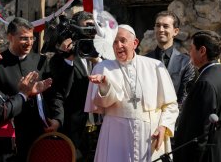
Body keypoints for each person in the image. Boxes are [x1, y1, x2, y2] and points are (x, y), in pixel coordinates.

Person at [84, 24, 179, 161]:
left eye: (123, 40)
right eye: (115, 42)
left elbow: (170, 104)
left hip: (150, 135)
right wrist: (105, 85)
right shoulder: (103, 68)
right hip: (116, 136)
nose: (118, 46)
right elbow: (100, 105)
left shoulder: (154, 66)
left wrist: (164, 126)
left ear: (135, 43)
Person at [0, 17, 57, 162]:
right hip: (12, 136)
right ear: (10, 37)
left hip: (41, 132)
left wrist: (58, 119)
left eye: (31, 38)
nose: (29, 43)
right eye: (23, 38)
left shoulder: (41, 60)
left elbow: (54, 95)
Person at [174, 30, 221, 162]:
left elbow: (200, 131)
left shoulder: (205, 83)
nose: (189, 54)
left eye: (191, 49)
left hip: (207, 157)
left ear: (202, 51)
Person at [49, 11, 101, 161]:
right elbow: (60, 91)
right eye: (87, 27)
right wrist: (68, 59)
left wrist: (98, 61)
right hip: (74, 129)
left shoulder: (102, 55)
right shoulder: (61, 58)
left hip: (101, 126)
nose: (91, 31)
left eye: (94, 27)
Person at [145, 11, 195, 109]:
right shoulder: (144, 60)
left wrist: (168, 121)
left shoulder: (186, 62)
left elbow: (184, 99)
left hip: (173, 120)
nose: (161, 29)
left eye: (165, 26)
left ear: (175, 31)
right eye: (158, 25)